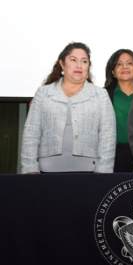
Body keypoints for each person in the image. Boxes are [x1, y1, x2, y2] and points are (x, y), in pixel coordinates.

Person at [21, 42, 116, 174]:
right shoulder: (43, 93)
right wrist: (30, 169)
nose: (79, 65)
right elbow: (31, 134)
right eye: (73, 60)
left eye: (84, 61)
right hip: (46, 172)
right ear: (62, 63)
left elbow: (108, 136)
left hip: (90, 173)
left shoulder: (100, 95)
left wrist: (104, 171)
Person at [105, 49, 133, 172]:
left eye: (129, 63)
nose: (124, 66)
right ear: (113, 72)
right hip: (113, 158)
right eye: (119, 64)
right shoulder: (104, 96)